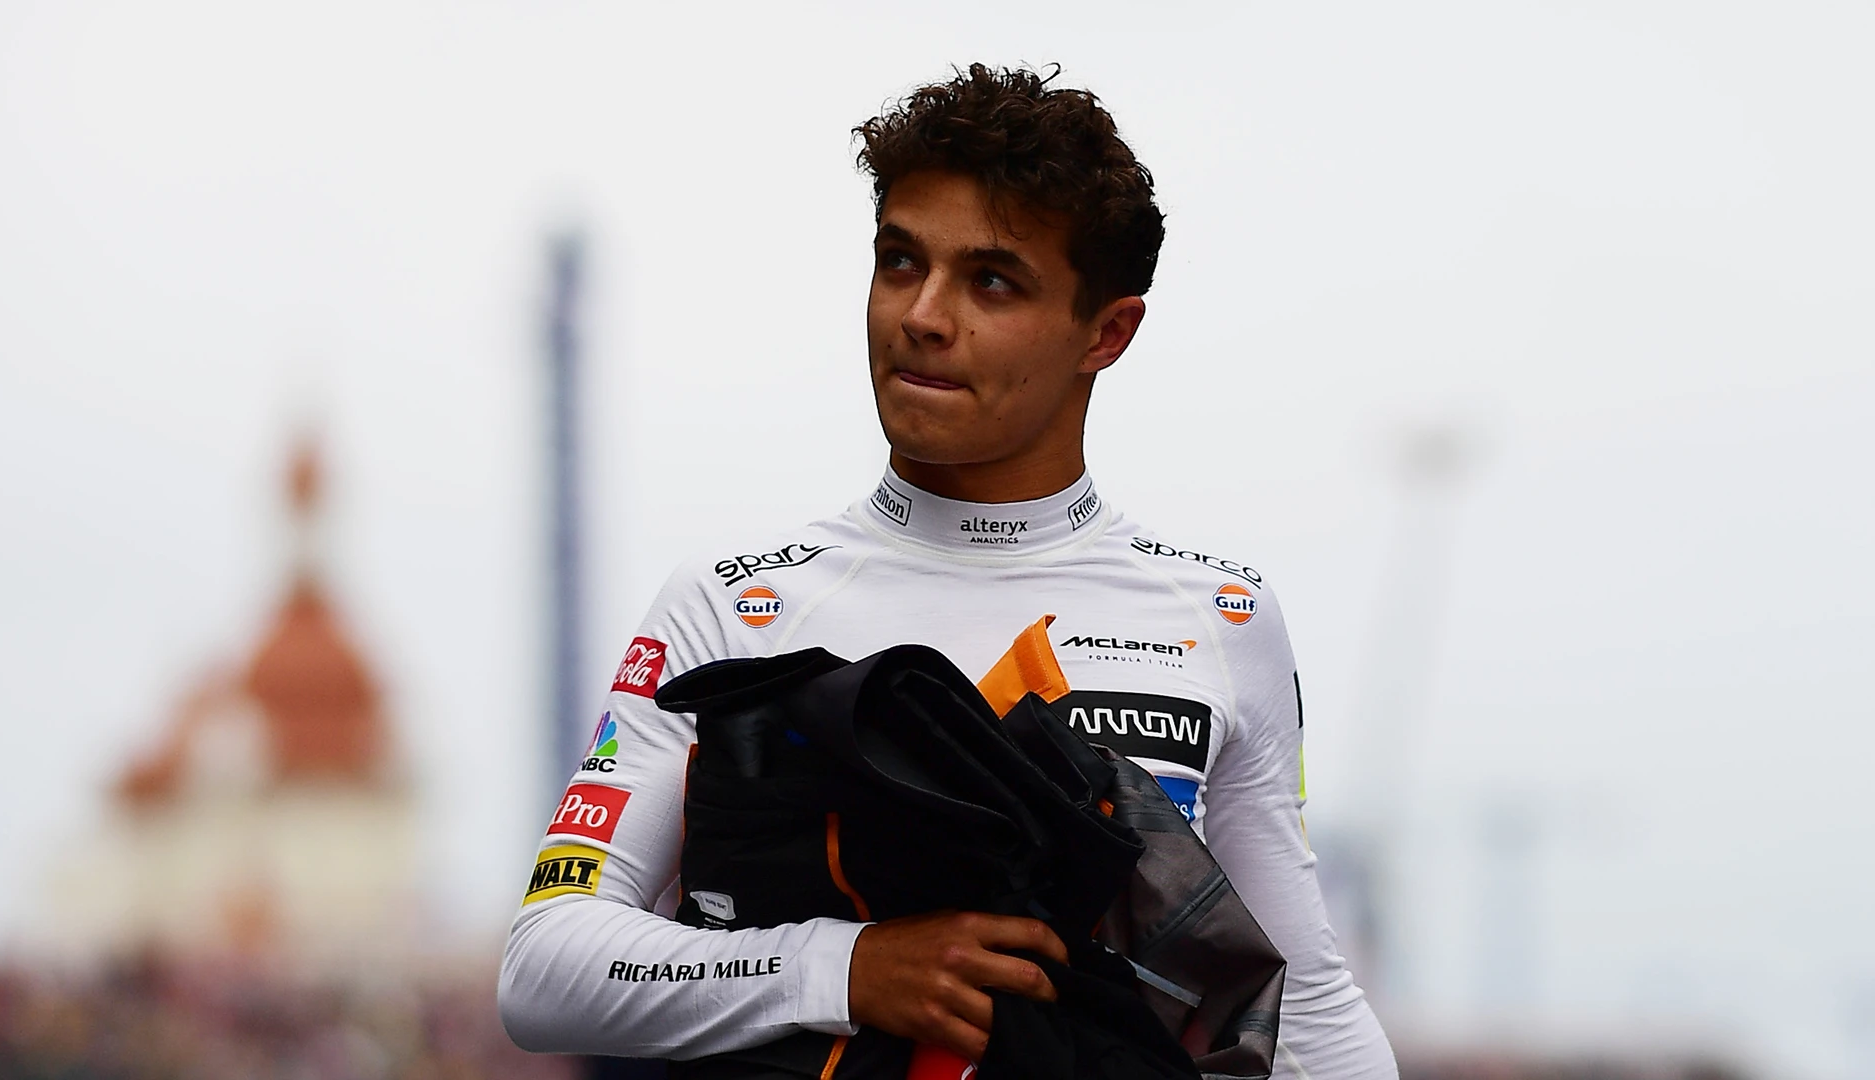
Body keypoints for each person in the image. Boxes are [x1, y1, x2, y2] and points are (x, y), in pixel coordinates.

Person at [500, 64, 1398, 1080]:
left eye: (992, 281)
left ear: (1108, 332)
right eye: (898, 262)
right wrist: (844, 967)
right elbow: (547, 969)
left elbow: (1307, 1002)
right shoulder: (735, 603)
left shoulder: (1223, 617)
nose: (922, 314)